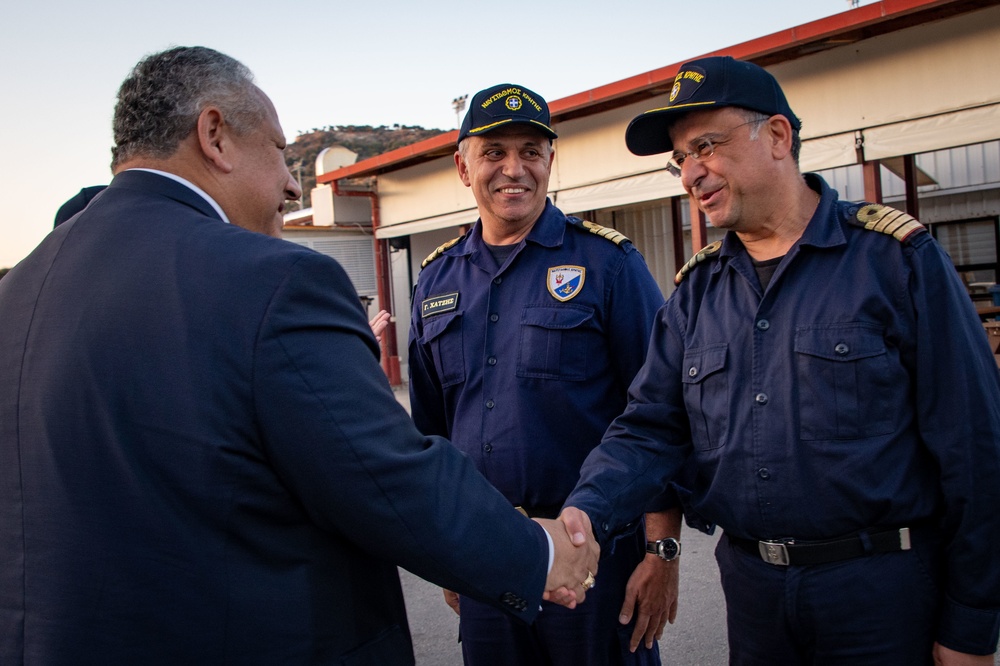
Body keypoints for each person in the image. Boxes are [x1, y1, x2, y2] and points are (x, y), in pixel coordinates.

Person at [0, 46, 599, 665]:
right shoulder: (272, 281)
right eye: (281, 152)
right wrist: (540, 553)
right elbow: (384, 473)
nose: (292, 182)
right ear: (215, 136)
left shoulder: (18, 290)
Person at [560, 55, 1000, 665]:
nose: (691, 173)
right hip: (754, 594)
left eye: (705, 146)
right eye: (681, 159)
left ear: (776, 136)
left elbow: (974, 449)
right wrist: (581, 516)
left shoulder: (894, 261)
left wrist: (970, 625)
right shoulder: (696, 293)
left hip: (881, 595)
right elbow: (648, 429)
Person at [408, 83, 682, 666]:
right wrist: (447, 550)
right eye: (495, 152)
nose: (515, 168)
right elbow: (432, 431)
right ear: (463, 167)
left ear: (551, 162)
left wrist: (661, 550)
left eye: (531, 151)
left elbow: (660, 412)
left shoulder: (608, 263)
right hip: (488, 550)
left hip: (594, 552)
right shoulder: (435, 281)